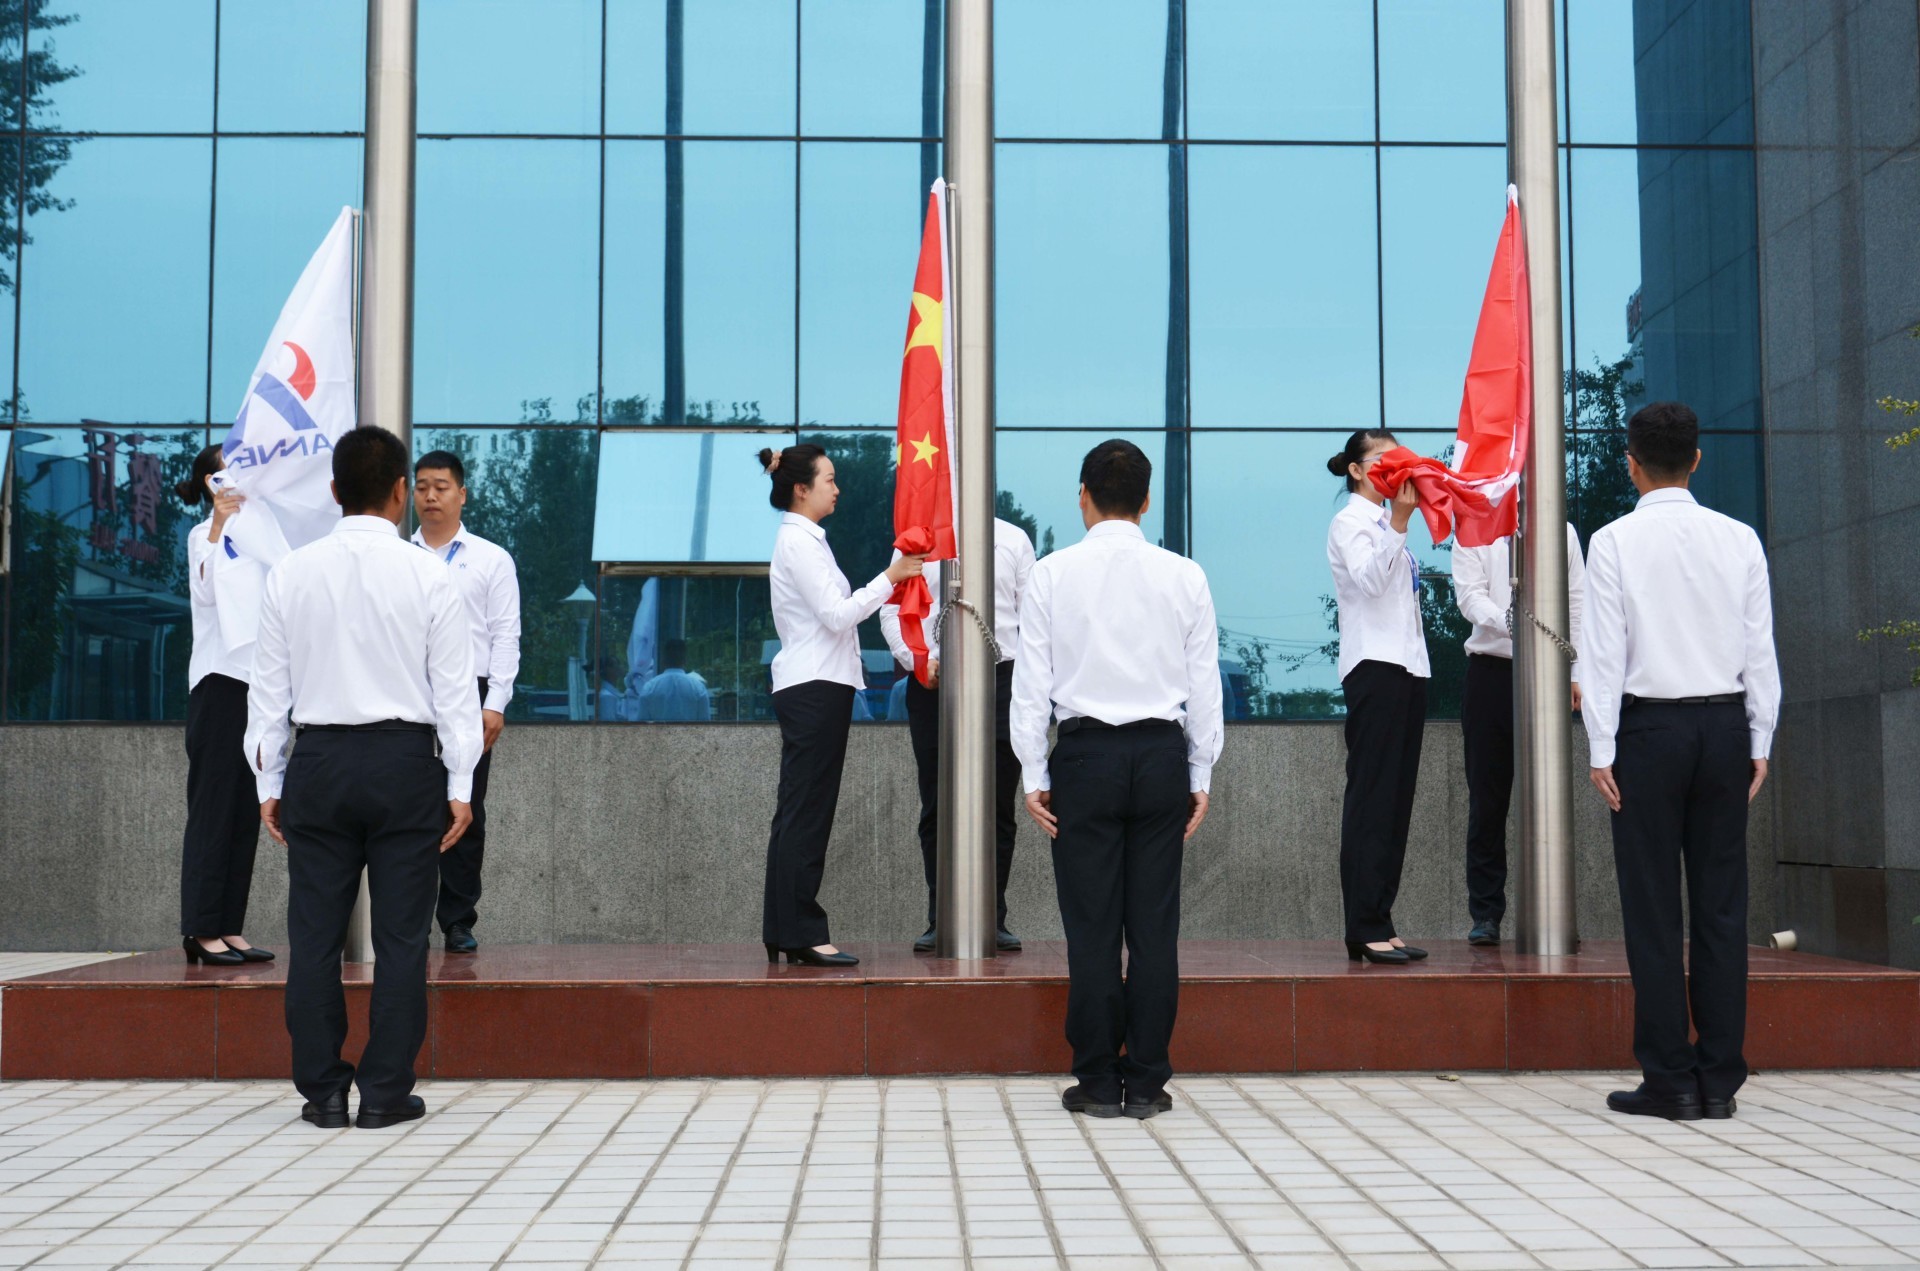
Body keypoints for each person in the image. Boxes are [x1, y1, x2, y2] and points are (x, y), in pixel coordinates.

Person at [245, 426, 482, 1131]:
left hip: (318, 762)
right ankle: (384, 1090)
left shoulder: (291, 571)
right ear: (402, 491)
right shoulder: (429, 574)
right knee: (403, 936)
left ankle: (322, 1091)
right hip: (406, 764)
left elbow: (267, 692)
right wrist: (461, 781)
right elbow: (454, 694)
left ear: (333, 491)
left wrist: (270, 778)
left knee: (314, 934)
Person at [1012, 439, 1222, 1121]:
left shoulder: (1050, 573)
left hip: (1084, 757)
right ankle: (1151, 1081)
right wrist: (1201, 769)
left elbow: (1030, 686)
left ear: (1083, 495)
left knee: (1093, 927)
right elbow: (1204, 687)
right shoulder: (1185, 574)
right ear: (1147, 498)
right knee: (1155, 925)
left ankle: (1099, 1079)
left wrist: (1032, 771)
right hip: (1162, 754)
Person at [1583, 402, 1779, 1122]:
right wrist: (1760, 737)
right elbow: (1761, 648)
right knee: (1724, 906)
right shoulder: (1740, 538)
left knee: (1654, 909)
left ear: (1630, 461)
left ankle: (1668, 1076)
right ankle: (1719, 1078)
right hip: (1726, 726)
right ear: (1697, 459)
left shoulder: (1613, 541)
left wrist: (1600, 747)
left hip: (1650, 733)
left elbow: (1604, 654)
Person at [759, 444, 925, 967]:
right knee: (807, 812)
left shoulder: (804, 541)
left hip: (815, 685)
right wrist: (892, 577)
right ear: (801, 488)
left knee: (799, 811)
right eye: (829, 479)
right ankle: (802, 930)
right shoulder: (799, 543)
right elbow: (836, 615)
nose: (838, 488)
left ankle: (786, 928)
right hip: (814, 687)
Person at [880, 515, 1036, 953]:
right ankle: (940, 917)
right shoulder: (917, 538)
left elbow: (1035, 617)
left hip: (1001, 679)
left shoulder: (1013, 539)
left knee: (998, 805)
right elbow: (891, 609)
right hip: (932, 678)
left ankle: (993, 917)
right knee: (937, 803)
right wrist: (914, 658)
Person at [1452, 523, 1587, 946]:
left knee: (1549, 800)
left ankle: (1554, 914)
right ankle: (1486, 913)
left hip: (1547, 674)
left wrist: (1575, 671)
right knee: (1487, 802)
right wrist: (1511, 621)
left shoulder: (1560, 531)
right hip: (1491, 673)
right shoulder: (1473, 529)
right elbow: (1469, 596)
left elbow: (1577, 601)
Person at [410, 451, 521, 955]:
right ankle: (407, 918)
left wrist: (495, 702)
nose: (430, 496)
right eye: (421, 487)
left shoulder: (492, 559)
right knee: (409, 806)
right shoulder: (399, 557)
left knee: (465, 808)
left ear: (462, 494)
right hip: (409, 691)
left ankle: (457, 919)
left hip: (471, 695)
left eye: (441, 486)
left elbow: (505, 636)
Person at [1326, 428, 1429, 966]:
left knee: (1395, 801)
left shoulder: (1388, 522)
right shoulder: (1351, 521)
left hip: (1409, 668)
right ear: (1358, 470)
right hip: (1375, 668)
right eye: (1384, 460)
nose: (1396, 467)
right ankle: (1362, 924)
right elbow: (1369, 582)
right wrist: (1399, 523)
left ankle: (1381, 920)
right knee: (1371, 798)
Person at [178, 445, 272, 966]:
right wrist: (217, 523)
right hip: (219, 686)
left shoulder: (261, 539)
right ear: (212, 481)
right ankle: (199, 928)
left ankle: (229, 925)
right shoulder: (203, 536)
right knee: (213, 809)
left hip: (257, 691)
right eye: (227, 470)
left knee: (243, 813)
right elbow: (206, 592)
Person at [636, 638, 713, 721]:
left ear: (663, 660)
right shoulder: (698, 688)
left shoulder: (650, 688)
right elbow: (705, 724)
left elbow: (642, 725)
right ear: (685, 660)